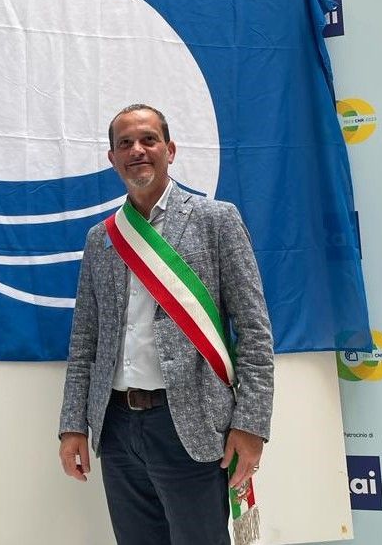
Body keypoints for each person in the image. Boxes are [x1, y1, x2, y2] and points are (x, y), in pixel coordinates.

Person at [58, 104, 274, 545]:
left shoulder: (216, 220)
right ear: (112, 158)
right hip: (116, 428)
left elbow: (254, 332)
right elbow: (84, 342)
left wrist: (251, 426)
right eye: (125, 144)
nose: (137, 150)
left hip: (190, 424)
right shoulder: (101, 239)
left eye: (148, 140)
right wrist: (73, 425)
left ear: (170, 150)